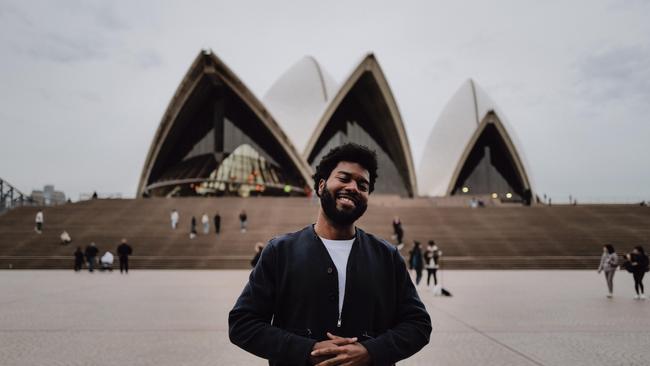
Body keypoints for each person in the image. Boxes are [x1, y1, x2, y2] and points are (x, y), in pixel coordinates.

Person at [229, 143, 431, 366]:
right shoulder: (280, 252)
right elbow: (242, 323)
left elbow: (418, 324)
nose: (353, 187)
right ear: (321, 186)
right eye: (344, 178)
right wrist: (308, 350)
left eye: (363, 185)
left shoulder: (387, 256)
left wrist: (370, 352)